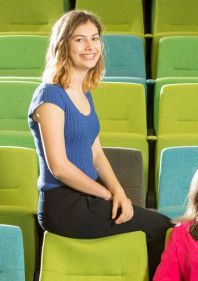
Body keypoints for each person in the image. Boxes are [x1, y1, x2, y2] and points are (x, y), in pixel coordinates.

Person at [28, 10, 172, 279]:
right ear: (63, 45)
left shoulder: (83, 92)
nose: (90, 47)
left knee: (158, 223)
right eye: (80, 40)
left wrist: (118, 191)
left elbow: (96, 153)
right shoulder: (49, 95)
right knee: (160, 226)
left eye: (94, 38)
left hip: (87, 197)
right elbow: (59, 167)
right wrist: (107, 195)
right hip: (63, 206)